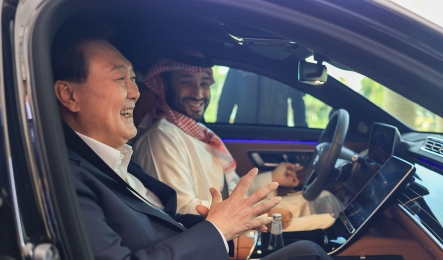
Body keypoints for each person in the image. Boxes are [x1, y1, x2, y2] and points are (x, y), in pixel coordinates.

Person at [52, 25, 400, 260]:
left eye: (134, 77)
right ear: (70, 96)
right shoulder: (73, 178)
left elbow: (160, 228)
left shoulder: (117, 161)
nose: (134, 92)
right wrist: (217, 230)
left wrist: (218, 227)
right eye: (119, 80)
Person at [132, 54, 344, 231]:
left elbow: (232, 189)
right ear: (165, 86)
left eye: (204, 84)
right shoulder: (161, 139)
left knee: (322, 200)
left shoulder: (194, 133)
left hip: (234, 223)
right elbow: (181, 210)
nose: (198, 94)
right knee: (330, 222)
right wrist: (255, 214)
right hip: (224, 236)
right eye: (186, 83)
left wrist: (273, 177)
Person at [215, 68, 307, 126]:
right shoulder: (240, 66)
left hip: (276, 134)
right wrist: (220, 133)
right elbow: (226, 101)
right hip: (245, 133)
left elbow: (298, 103)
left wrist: (302, 133)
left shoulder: (287, 68)